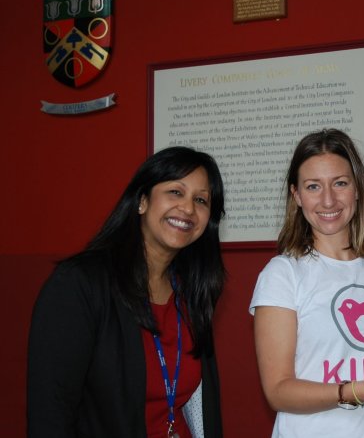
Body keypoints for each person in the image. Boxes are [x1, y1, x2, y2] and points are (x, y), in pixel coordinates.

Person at [28, 146, 226, 438]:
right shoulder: (79, 284)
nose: (187, 208)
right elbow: (50, 413)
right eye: (175, 192)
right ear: (142, 201)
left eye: (200, 200)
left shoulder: (192, 292)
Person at [249, 128, 364, 438]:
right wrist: (356, 391)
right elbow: (278, 391)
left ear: (357, 189)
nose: (328, 199)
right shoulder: (282, 274)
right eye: (313, 186)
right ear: (297, 196)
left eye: (340, 183)